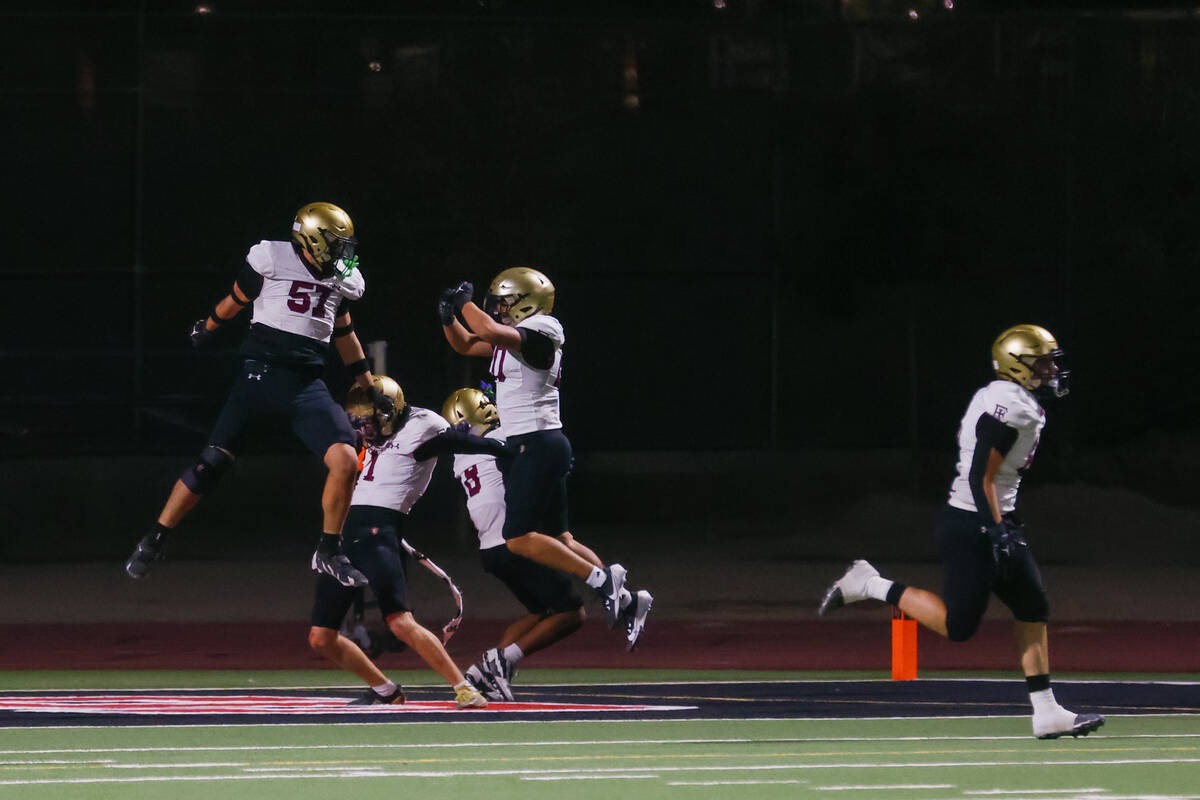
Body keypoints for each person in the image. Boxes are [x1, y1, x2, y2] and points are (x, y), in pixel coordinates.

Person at [818, 324, 1105, 740]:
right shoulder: (1014, 408)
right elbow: (979, 477)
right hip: (973, 522)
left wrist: (1001, 525)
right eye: (1042, 364)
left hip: (995, 517)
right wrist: (996, 531)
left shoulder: (1000, 395)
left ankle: (1047, 712)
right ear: (1018, 366)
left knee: (1032, 606)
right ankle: (870, 583)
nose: (1051, 371)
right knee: (958, 627)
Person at [125, 202, 388, 588]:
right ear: (313, 239)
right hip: (259, 377)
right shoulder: (271, 258)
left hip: (305, 386)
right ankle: (156, 537)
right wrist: (208, 325)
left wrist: (369, 386)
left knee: (348, 461)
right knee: (210, 464)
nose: (343, 253)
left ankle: (329, 550)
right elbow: (236, 299)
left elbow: (345, 333)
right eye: (336, 243)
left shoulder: (340, 279)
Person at [437, 268, 651, 630]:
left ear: (527, 303)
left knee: (517, 538)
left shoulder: (544, 328)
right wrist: (448, 318)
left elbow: (488, 330)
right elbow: (467, 344)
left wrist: (465, 304)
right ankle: (628, 600)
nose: (499, 309)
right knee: (560, 537)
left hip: (535, 442)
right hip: (535, 444)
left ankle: (604, 580)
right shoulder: (514, 338)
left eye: (505, 303)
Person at [441, 387, 653, 701]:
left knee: (541, 608)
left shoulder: (460, 456)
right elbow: (528, 449)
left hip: (490, 550)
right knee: (571, 612)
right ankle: (504, 659)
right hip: (511, 542)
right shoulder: (503, 437)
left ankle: (490, 668)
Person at [309, 375, 502, 708]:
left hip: (377, 532)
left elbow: (458, 442)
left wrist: (508, 449)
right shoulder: (376, 432)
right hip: (342, 536)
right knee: (321, 637)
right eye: (360, 419)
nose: (364, 427)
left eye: (369, 419)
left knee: (399, 621)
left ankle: (463, 688)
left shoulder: (423, 426)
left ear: (391, 410)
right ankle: (386, 691)